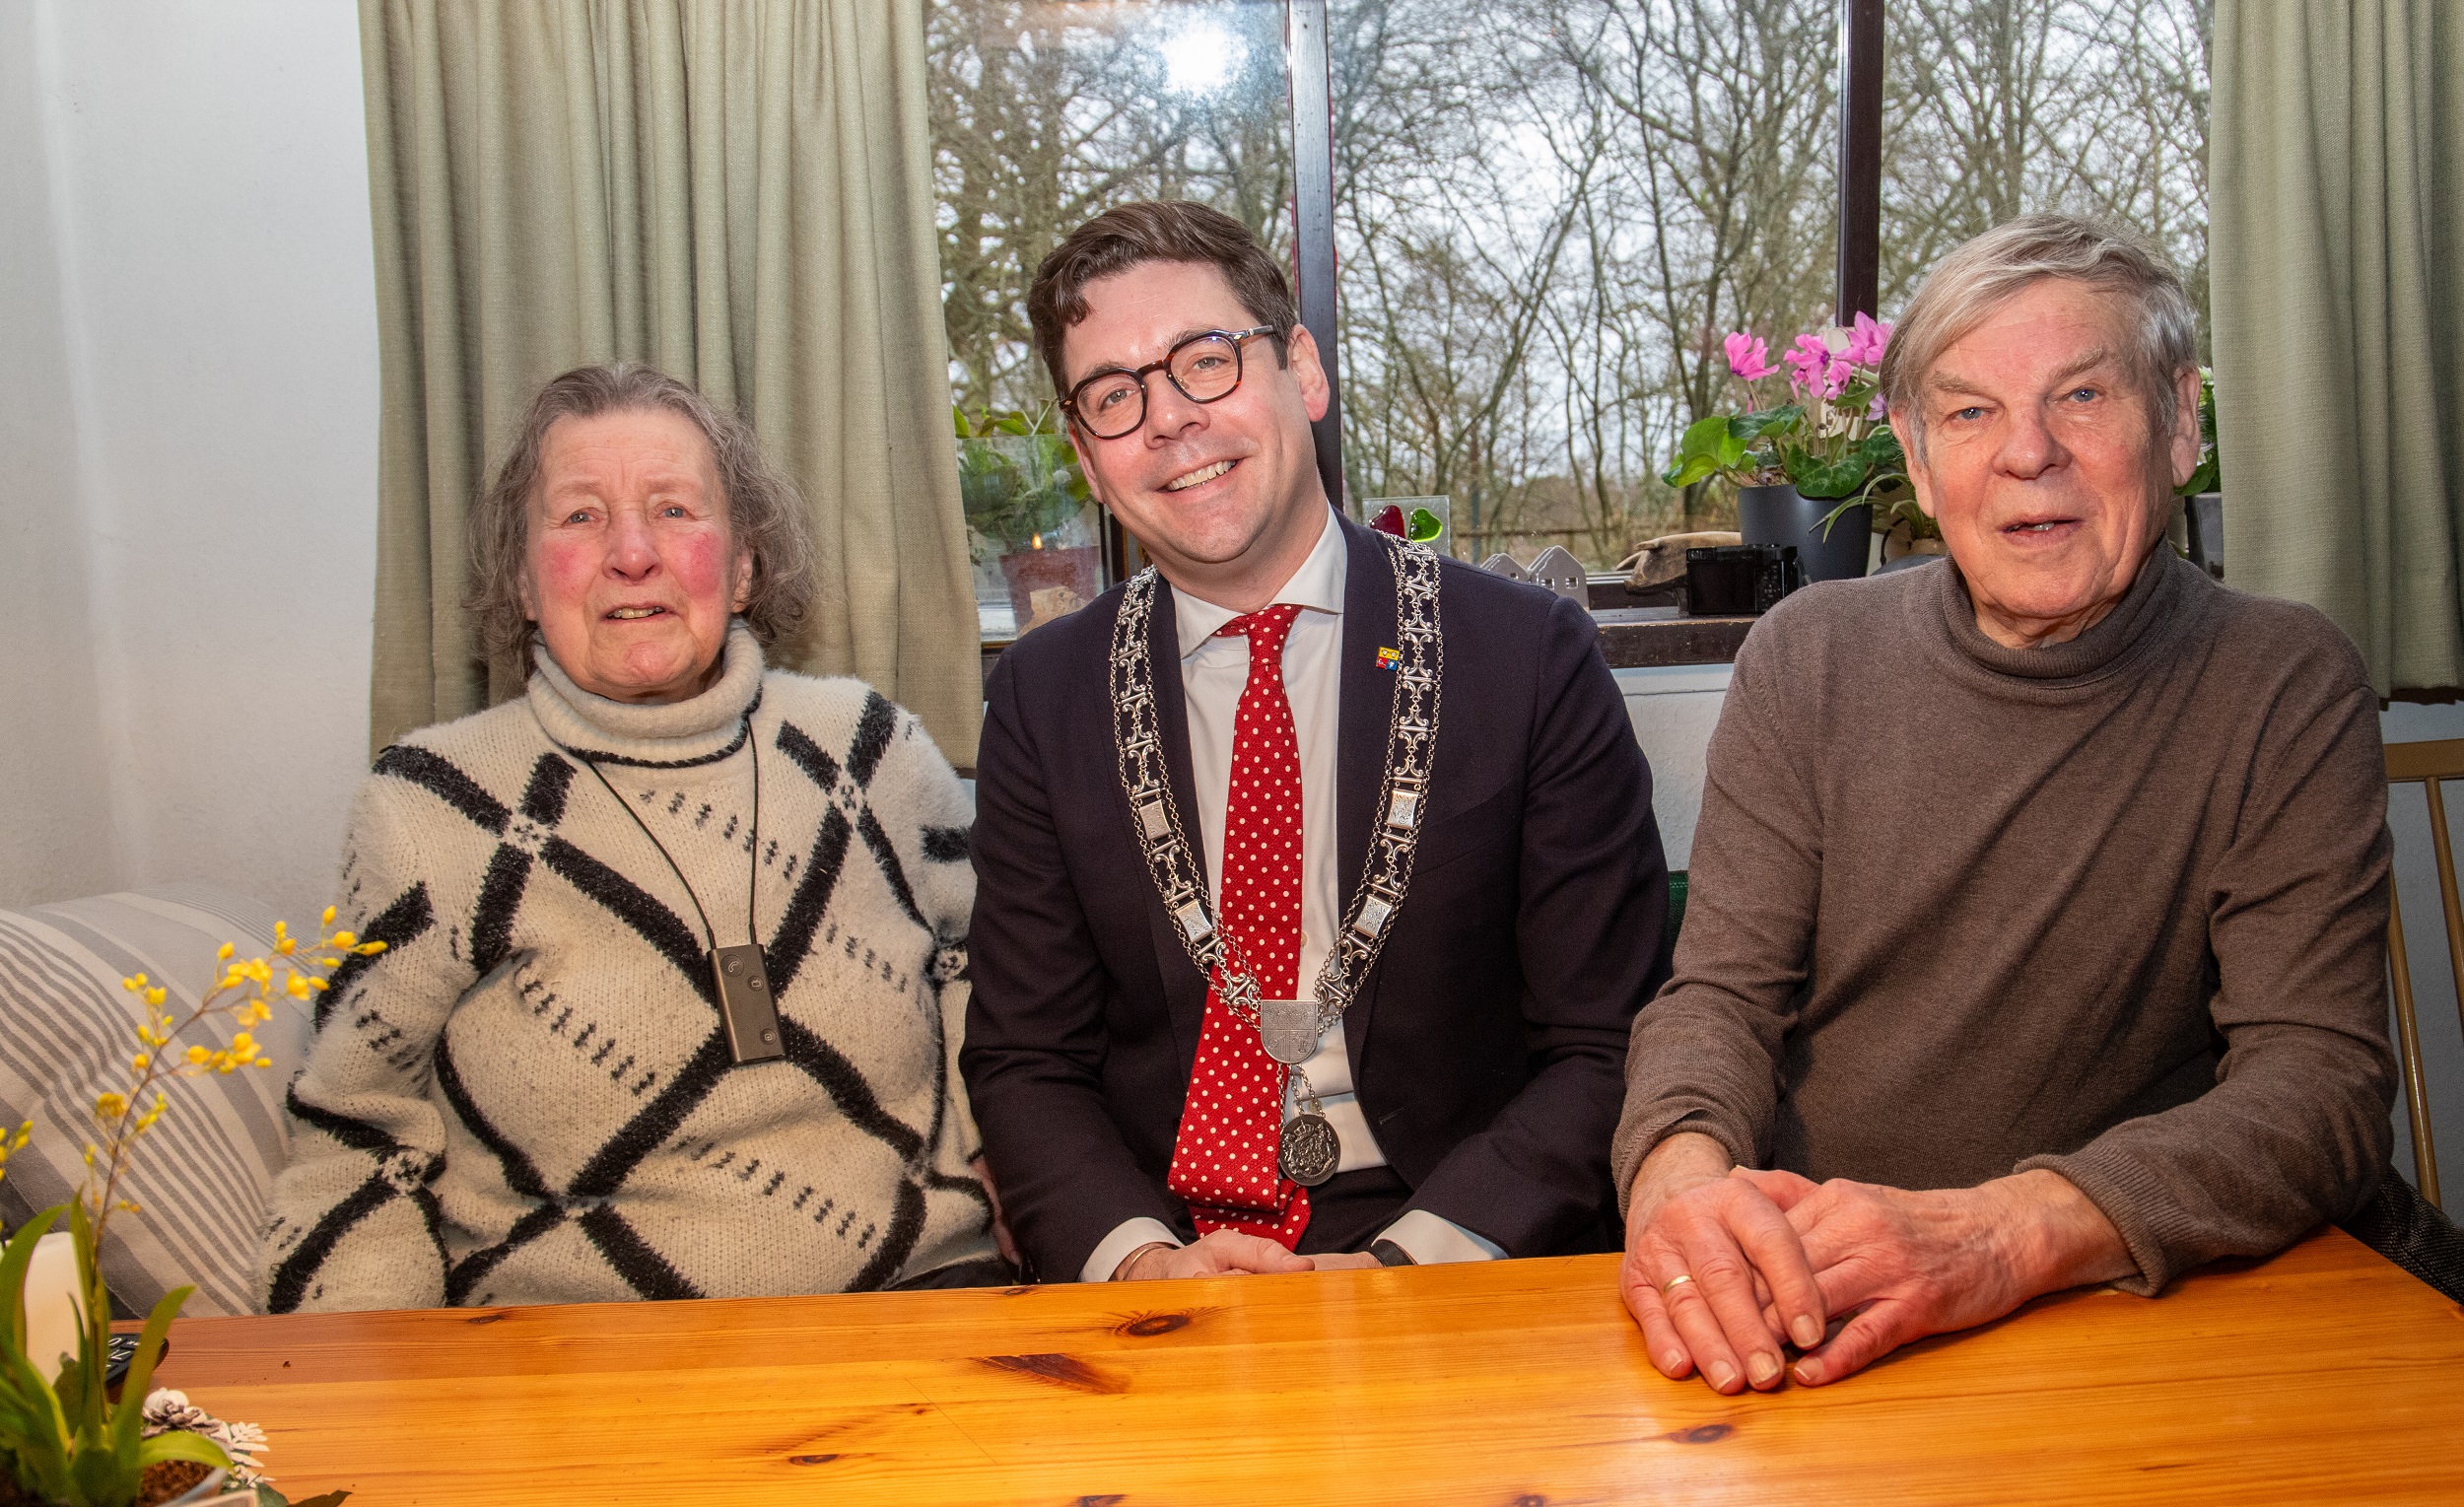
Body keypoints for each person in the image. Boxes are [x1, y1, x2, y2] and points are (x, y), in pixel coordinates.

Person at [1614, 214, 2424, 1396]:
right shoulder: (1808, 655)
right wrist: (1681, 1187)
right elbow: (1718, 1001)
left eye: (2083, 396)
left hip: (2135, 1309)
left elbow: (2319, 1083)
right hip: (1824, 1294)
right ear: (1915, 454)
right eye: (1969, 411)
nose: (2027, 452)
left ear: (2180, 422)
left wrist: (2000, 1236)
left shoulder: (2283, 679)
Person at [962, 200, 1671, 1285]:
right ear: (1085, 455)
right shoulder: (1042, 698)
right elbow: (1026, 1063)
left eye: (1205, 359)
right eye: (1114, 394)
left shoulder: (1523, 654)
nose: (1168, 420)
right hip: (1168, 1244)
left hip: (1464, 1241)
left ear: (1302, 368)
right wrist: (1141, 1264)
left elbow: (1607, 1038)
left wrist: (1413, 1261)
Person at [260, 363, 1002, 1311]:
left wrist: (1016, 1181)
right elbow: (356, 1135)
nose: (632, 553)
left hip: (919, 1312)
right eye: (579, 517)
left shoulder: (872, 751)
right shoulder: (428, 805)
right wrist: (386, 1400)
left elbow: (993, 997)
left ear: (743, 566)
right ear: (522, 580)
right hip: (578, 1369)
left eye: (675, 510)